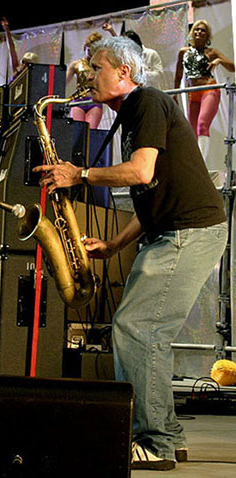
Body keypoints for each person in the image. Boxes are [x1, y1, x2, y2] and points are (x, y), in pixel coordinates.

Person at [34, 36, 227, 471]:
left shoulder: (146, 101)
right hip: (175, 229)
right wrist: (114, 244)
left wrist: (79, 174)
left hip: (188, 232)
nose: (88, 75)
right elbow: (153, 193)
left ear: (124, 72)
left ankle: (153, 441)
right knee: (148, 333)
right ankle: (169, 437)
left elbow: (141, 172)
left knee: (135, 329)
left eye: (97, 67)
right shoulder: (132, 114)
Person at [174, 19, 234, 163]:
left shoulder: (212, 52)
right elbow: (178, 75)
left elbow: (232, 67)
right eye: (197, 29)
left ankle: (200, 162)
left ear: (207, 36)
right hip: (193, 93)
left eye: (203, 30)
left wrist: (218, 61)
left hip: (209, 89)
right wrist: (175, 94)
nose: (199, 32)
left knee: (202, 124)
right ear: (192, 33)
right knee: (192, 131)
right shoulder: (184, 52)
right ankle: (195, 163)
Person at [102, 23, 165, 89]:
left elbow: (159, 75)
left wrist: (139, 74)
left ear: (136, 44)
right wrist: (111, 31)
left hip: (151, 92)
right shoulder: (127, 57)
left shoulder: (151, 54)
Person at [66, 32, 103, 129]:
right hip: (78, 100)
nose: (91, 52)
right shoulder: (76, 64)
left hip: (94, 101)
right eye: (89, 49)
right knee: (77, 130)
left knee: (90, 131)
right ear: (85, 48)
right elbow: (63, 82)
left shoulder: (100, 65)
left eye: (94, 50)